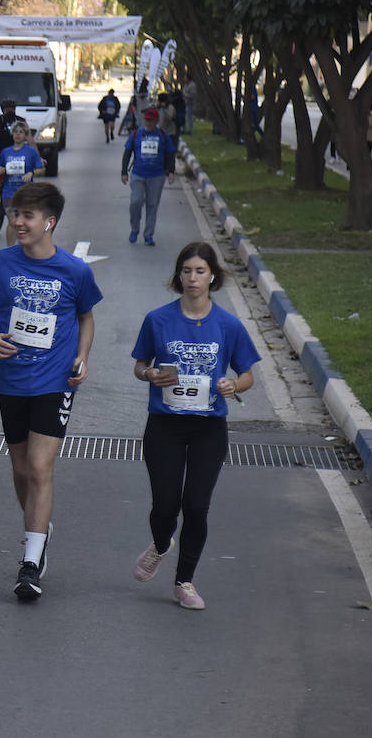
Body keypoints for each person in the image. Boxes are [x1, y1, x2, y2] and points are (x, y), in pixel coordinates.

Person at [0, 182, 102, 601]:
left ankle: (30, 561)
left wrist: (81, 358)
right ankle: (39, 529)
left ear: (50, 222)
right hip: (11, 380)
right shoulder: (0, 262)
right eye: (14, 214)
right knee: (22, 471)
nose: (18, 222)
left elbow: (86, 318)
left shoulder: (75, 270)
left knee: (41, 469)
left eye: (27, 216)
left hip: (54, 381)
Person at [131, 242, 259, 610]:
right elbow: (139, 365)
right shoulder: (158, 319)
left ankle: (184, 582)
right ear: (178, 276)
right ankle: (160, 544)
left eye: (200, 271)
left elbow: (247, 374)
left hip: (208, 428)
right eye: (186, 271)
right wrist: (150, 374)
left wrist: (233, 386)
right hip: (165, 425)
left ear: (212, 276)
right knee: (165, 506)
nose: (192, 278)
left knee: (197, 505)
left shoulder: (228, 325)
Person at [122, 108, 177, 245]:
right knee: (136, 202)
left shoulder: (163, 136)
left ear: (156, 121)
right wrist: (124, 171)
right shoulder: (136, 134)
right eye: (146, 119)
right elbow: (128, 152)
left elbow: (170, 154)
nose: (148, 122)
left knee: (152, 205)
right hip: (138, 174)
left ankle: (148, 235)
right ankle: (134, 229)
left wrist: (171, 171)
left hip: (156, 176)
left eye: (151, 120)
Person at [0, 120, 44, 248]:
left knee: (24, 222)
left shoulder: (31, 152)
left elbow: (41, 168)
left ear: (25, 135)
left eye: (21, 132)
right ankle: (10, 249)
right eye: (16, 132)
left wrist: (31, 173)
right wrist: (0, 170)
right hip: (8, 192)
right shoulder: (6, 152)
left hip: (25, 193)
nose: (18, 135)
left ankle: (25, 246)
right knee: (12, 220)